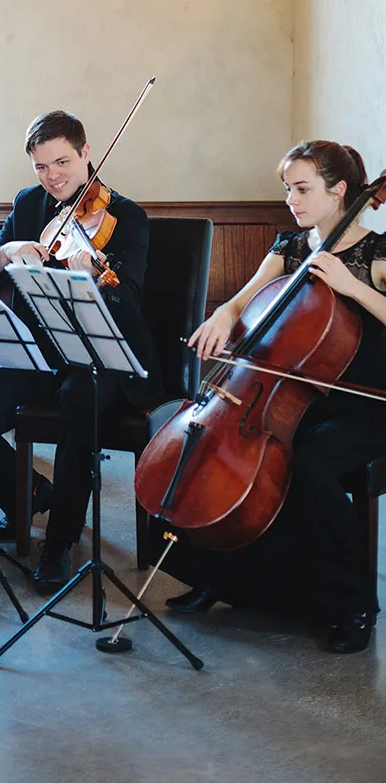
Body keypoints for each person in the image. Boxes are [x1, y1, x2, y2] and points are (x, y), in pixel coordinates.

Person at [164, 140, 386, 654]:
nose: (292, 199)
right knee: (234, 456)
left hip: (363, 403)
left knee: (310, 461)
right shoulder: (290, 246)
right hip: (293, 393)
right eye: (288, 189)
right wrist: (224, 315)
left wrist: (353, 290)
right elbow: (247, 301)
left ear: (341, 191)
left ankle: (353, 602)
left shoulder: (375, 254)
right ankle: (230, 578)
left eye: (303, 189)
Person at [0, 109, 157, 590]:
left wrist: (97, 278)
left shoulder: (127, 217)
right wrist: (8, 252)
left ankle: (57, 547)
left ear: (86, 153)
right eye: (41, 166)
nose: (53, 176)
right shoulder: (30, 205)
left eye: (62, 163)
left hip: (100, 357)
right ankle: (38, 498)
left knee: (82, 400)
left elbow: (132, 300)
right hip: (38, 351)